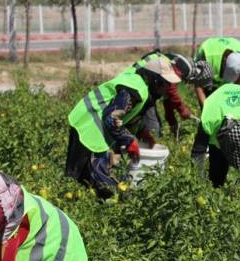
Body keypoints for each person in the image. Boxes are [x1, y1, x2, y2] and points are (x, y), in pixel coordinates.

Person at [64, 58, 182, 198]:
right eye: (166, 83)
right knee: (101, 185)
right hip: (89, 127)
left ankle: (77, 202)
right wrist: (128, 140)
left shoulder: (139, 85)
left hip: (87, 122)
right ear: (156, 80)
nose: (168, 88)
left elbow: (129, 113)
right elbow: (112, 117)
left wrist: (142, 132)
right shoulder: (135, 89)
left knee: (82, 178)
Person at [192, 84, 240, 187]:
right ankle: (217, 186)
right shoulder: (210, 120)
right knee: (217, 170)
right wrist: (199, 184)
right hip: (219, 97)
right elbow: (198, 153)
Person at [128, 51, 205, 140]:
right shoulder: (169, 69)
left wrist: (172, 123)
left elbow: (168, 100)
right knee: (153, 129)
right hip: (134, 88)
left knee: (150, 126)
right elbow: (171, 92)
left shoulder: (170, 62)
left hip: (138, 87)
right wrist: (183, 110)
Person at [192, 36, 240, 108]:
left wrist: (236, 101)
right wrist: (206, 109)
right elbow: (198, 85)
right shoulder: (207, 55)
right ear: (224, 61)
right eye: (228, 73)